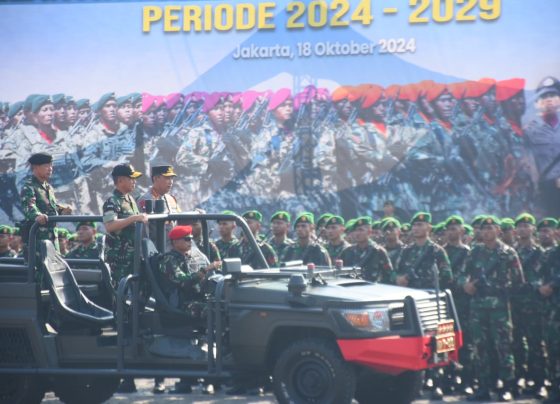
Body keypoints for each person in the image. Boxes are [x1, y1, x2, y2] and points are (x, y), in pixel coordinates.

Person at [459, 216, 524, 402]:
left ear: (498, 231)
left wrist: (503, 289)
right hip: (478, 307)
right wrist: (466, 285)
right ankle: (484, 386)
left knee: (503, 347)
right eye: (484, 229)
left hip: (499, 308)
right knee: (481, 347)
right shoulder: (474, 252)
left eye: (491, 228)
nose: (487, 232)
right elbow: (462, 274)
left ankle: (507, 386)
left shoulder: (508, 253)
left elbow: (519, 281)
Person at [396, 212, 452, 400]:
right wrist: (399, 279)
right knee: (413, 342)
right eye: (415, 225)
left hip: (431, 301)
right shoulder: (406, 251)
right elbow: (395, 273)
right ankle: (415, 383)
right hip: (411, 302)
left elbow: (447, 276)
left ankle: (438, 383)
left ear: (429, 227)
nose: (417, 228)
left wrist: (430, 279)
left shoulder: (437, 251)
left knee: (438, 342)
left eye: (421, 225)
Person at [158, 225, 214, 395]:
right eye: (186, 239)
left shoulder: (191, 257)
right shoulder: (169, 260)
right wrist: (204, 271)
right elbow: (182, 281)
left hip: (194, 300)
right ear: (175, 242)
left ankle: (211, 373)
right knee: (215, 312)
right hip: (180, 304)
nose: (191, 241)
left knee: (220, 306)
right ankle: (213, 373)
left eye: (191, 238)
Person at [511, 213, 548, 399]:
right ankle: (518, 378)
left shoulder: (541, 253)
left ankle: (539, 382)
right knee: (515, 343)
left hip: (534, 305)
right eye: (520, 226)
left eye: (527, 226)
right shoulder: (510, 252)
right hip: (514, 304)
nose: (523, 229)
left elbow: (546, 277)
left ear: (533, 229)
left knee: (535, 344)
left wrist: (532, 285)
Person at [20, 153, 72, 260]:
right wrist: (37, 215)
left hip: (52, 238)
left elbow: (49, 207)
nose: (50, 168)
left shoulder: (48, 187)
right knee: (39, 268)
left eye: (51, 165)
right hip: (38, 240)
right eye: (46, 166)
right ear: (36, 167)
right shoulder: (29, 186)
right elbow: (29, 206)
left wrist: (62, 210)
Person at [443, 215, 473, 395]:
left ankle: (467, 380)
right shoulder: (439, 252)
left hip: (463, 303)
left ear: (462, 230)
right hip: (445, 303)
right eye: (448, 229)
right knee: (445, 342)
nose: (450, 232)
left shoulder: (469, 253)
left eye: (454, 229)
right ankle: (446, 380)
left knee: (466, 343)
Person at [525, 77, 560, 216]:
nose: (548, 100)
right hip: (546, 192)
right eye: (544, 96)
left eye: (553, 95)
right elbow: (525, 162)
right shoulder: (529, 131)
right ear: (537, 103)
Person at [136, 164, 181, 253]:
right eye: (167, 178)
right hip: (157, 250)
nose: (171, 182)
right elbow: (144, 232)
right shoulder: (146, 200)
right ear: (156, 178)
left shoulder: (171, 199)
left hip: (174, 249)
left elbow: (180, 220)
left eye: (172, 178)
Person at [340, 216, 393, 283]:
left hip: (372, 287)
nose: (357, 233)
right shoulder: (347, 251)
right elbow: (340, 273)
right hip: (351, 287)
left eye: (361, 230)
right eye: (356, 230)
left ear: (369, 232)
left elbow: (389, 275)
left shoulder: (378, 251)